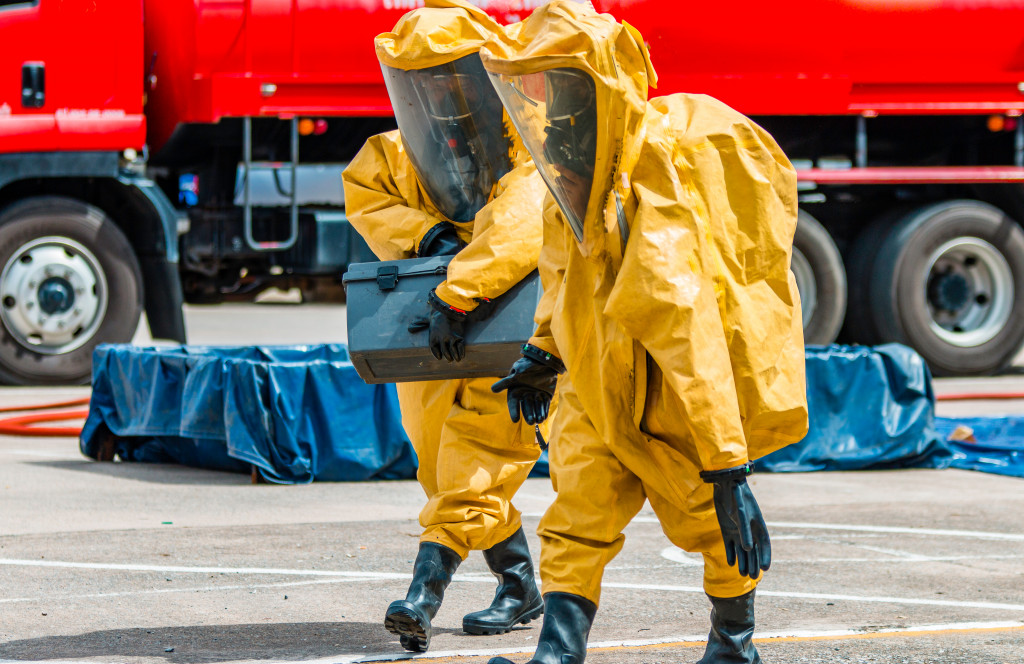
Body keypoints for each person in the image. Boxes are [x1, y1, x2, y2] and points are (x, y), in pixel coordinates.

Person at [481, 2, 809, 663]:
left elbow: (686, 324)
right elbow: (562, 278)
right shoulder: (570, 173)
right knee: (575, 516)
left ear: (601, 86)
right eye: (541, 89)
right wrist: (544, 352)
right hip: (595, 385)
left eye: (564, 89)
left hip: (666, 393)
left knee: (711, 524)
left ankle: (733, 642)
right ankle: (558, 652)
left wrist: (727, 464)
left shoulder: (646, 174)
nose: (550, 109)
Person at [341, 0, 551, 654]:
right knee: (438, 463)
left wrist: (458, 294)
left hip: (499, 323)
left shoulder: (531, 144)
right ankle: (520, 587)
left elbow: (519, 227)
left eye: (449, 80)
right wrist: (425, 233)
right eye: (423, 83)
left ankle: (421, 599)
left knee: (475, 465)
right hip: (434, 328)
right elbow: (365, 189)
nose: (439, 97)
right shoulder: (403, 154)